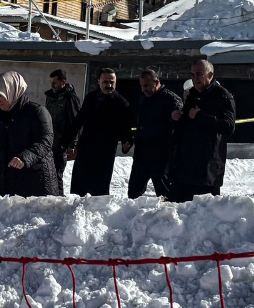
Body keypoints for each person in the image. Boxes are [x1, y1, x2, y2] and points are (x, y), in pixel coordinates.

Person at [0, 71, 60, 202]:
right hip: (7, 188)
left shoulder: (36, 112)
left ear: (10, 90)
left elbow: (46, 141)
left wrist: (25, 157)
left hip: (36, 186)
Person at [169, 59, 237, 202]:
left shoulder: (222, 96)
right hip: (185, 167)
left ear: (210, 74)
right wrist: (177, 118)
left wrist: (201, 117)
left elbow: (228, 126)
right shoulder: (191, 95)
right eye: (192, 75)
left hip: (206, 169)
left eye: (199, 74)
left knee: (202, 214)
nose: (195, 78)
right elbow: (186, 123)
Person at [65, 68, 133, 197]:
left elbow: (125, 126)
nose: (109, 85)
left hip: (105, 150)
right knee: (80, 185)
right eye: (105, 82)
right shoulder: (91, 98)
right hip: (87, 147)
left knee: (99, 187)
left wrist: (126, 141)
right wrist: (66, 141)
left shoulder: (121, 103)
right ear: (99, 82)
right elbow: (79, 120)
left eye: (112, 82)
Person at [128, 68, 182, 199]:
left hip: (162, 154)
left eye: (146, 86)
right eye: (141, 86)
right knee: (134, 191)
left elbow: (179, 124)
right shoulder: (143, 99)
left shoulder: (171, 99)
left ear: (156, 82)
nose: (144, 89)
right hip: (142, 152)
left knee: (164, 193)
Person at [44, 69, 81, 195]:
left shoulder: (70, 98)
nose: (52, 85)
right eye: (51, 82)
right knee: (48, 172)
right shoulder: (50, 97)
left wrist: (72, 143)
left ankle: (59, 197)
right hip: (49, 141)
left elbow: (75, 122)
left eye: (55, 82)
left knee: (57, 173)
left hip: (62, 142)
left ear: (63, 82)